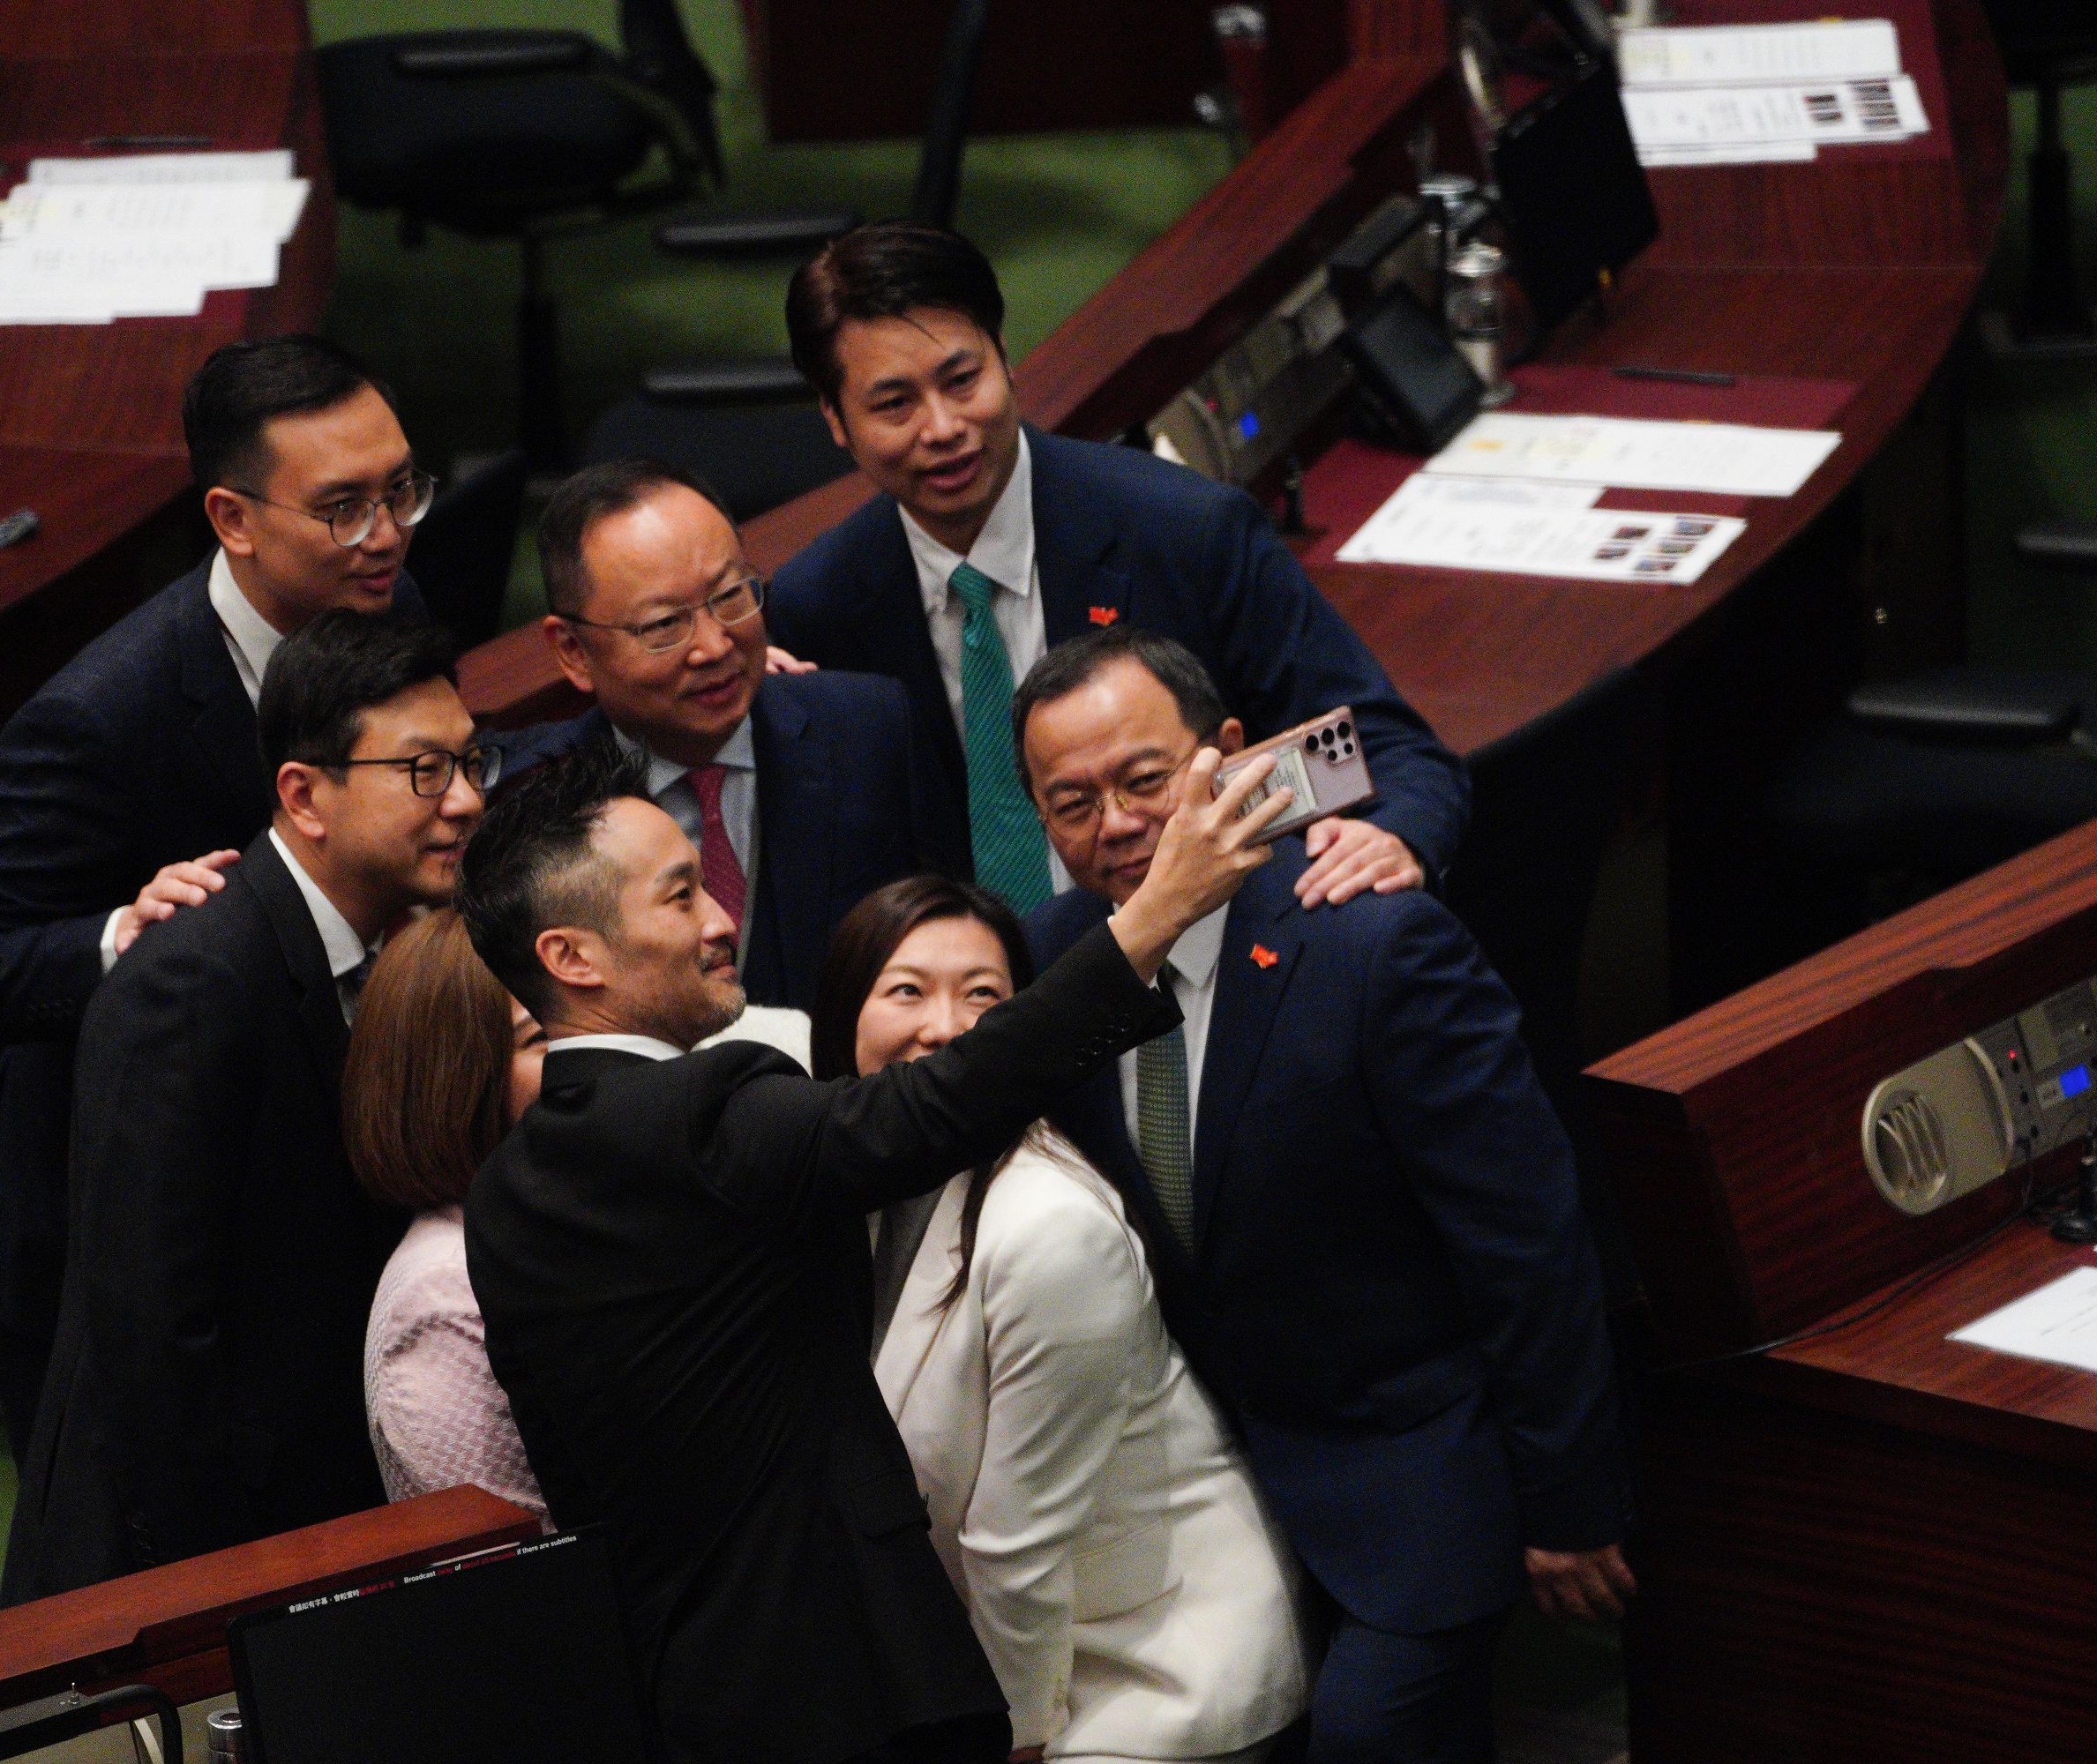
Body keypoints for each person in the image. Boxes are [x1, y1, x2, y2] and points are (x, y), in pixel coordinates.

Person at [455, 735, 1290, 1764]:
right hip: (855, 1690)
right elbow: (938, 1105)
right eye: (679, 896)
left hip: (687, 1696)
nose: (721, 920)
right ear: (572, 957)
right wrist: (1155, 916)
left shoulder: (503, 1193)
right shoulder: (699, 1112)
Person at [1015, 626, 1630, 1764]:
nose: (1119, 824)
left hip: (1413, 1466)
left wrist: (1570, 1501)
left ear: (1229, 753)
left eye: (1146, 779)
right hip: (1203, 1490)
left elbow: (1527, 1238)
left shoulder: (1373, 939)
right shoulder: (1057, 957)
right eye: (1073, 802)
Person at [0, 334, 435, 1461]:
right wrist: (122, 932)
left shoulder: (382, 602)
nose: (387, 531)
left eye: (401, 490)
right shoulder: (100, 716)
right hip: (124, 1254)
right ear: (233, 519)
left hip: (313, 1196)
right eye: (343, 507)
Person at [766, 220, 1465, 917]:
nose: (943, 427)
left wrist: (1393, 837)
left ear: (1004, 357)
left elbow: (1388, 751)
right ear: (836, 419)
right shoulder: (818, 608)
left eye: (962, 379)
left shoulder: (1186, 533)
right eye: (895, 404)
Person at [1, 610, 493, 1602]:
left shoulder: (404, 944)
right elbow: (152, 1337)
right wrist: (226, 1589)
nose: (467, 800)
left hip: (317, 1508)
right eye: (424, 771)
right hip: (185, 1563)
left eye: (471, 761)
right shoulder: (189, 987)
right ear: (305, 796)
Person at [816, 876, 1312, 1764]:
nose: (946, 1027)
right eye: (907, 991)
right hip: (1009, 1651)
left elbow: (1018, 1549)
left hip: (1149, 1675)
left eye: (984, 996)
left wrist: (1014, 1739)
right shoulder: (866, 1180)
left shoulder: (1051, 1228)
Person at [496, 457, 962, 1008]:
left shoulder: (869, 731)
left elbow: (952, 932)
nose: (714, 647)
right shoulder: (531, 803)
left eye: (731, 596)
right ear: (573, 651)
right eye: (664, 624)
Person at [342, 907, 550, 1521]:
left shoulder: (541, 1229)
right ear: (458, 1079)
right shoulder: (439, 1294)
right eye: (540, 1039)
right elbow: (516, 1548)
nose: (581, 1059)